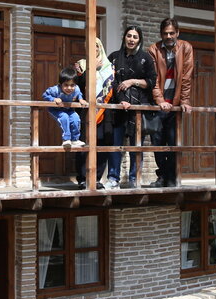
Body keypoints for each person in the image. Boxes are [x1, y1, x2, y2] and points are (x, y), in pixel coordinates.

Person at [147, 18, 195, 187]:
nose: (168, 36)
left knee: (174, 141)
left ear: (177, 33)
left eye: (171, 33)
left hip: (175, 104)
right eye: (165, 33)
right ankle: (162, 176)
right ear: (161, 34)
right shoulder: (153, 49)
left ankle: (171, 177)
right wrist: (160, 100)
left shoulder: (186, 47)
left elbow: (186, 77)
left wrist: (185, 100)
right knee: (158, 141)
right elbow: (153, 78)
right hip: (158, 104)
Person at [107, 25, 156, 189]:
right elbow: (110, 81)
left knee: (136, 145)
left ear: (139, 39)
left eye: (135, 37)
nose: (131, 39)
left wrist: (132, 81)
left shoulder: (146, 58)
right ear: (124, 37)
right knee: (115, 145)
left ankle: (135, 178)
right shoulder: (114, 57)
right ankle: (113, 178)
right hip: (118, 107)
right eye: (129, 36)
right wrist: (122, 100)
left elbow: (151, 81)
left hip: (138, 109)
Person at [73, 37, 115, 189]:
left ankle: (96, 178)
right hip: (85, 112)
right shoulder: (80, 65)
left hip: (105, 113)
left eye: (96, 46)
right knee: (83, 145)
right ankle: (83, 178)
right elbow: (77, 87)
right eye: (90, 46)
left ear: (100, 47)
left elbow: (113, 90)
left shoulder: (109, 67)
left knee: (102, 144)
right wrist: (91, 69)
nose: (94, 48)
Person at [41, 66, 87, 148]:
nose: (69, 88)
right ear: (60, 84)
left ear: (75, 85)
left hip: (69, 109)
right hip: (56, 110)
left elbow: (79, 94)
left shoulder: (76, 89)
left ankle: (75, 139)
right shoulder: (55, 90)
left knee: (76, 118)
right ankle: (66, 139)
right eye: (66, 85)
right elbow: (45, 95)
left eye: (72, 85)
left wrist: (80, 99)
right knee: (64, 117)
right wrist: (53, 99)